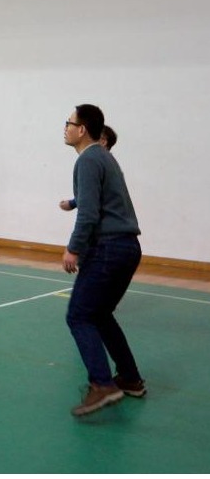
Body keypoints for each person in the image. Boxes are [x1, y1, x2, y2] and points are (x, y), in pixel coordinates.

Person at [62, 104, 145, 416]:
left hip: (108, 249)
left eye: (69, 123)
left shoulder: (88, 159)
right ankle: (130, 379)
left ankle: (102, 385)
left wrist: (74, 249)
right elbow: (95, 200)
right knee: (100, 314)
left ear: (82, 129)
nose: (65, 128)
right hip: (127, 248)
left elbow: (89, 213)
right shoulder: (104, 157)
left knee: (79, 316)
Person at [60, 125, 117, 211]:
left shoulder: (93, 161)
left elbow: (89, 195)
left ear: (103, 142)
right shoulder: (108, 163)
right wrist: (73, 203)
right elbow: (92, 191)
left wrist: (72, 203)